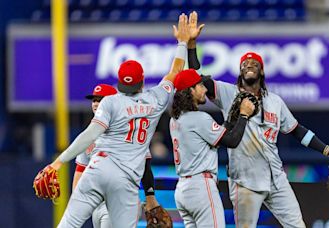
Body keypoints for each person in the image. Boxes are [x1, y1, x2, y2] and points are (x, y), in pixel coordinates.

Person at [187, 15, 329, 228]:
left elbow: (298, 131)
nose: (249, 65)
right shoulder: (228, 93)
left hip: (276, 179)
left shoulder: (275, 101)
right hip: (244, 182)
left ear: (261, 70)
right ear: (240, 71)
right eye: (244, 63)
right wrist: (192, 44)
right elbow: (198, 80)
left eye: (253, 63)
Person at [38, 13, 191, 228]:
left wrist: (58, 162)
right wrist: (183, 42)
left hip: (99, 169)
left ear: (120, 82)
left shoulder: (110, 102)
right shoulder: (157, 98)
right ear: (143, 81)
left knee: (68, 224)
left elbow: (90, 135)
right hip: (125, 180)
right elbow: (175, 71)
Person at [170, 69, 255, 227]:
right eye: (200, 86)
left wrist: (230, 120)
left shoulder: (175, 119)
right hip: (201, 188)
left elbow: (215, 138)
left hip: (183, 189)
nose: (205, 89)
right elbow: (232, 141)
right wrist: (243, 115)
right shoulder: (200, 119)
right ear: (190, 91)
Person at [72, 83, 160, 228]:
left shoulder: (130, 131)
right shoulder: (88, 136)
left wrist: (150, 197)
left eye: (101, 99)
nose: (96, 103)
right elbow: (80, 171)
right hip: (97, 206)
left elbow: (145, 167)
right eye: (94, 100)